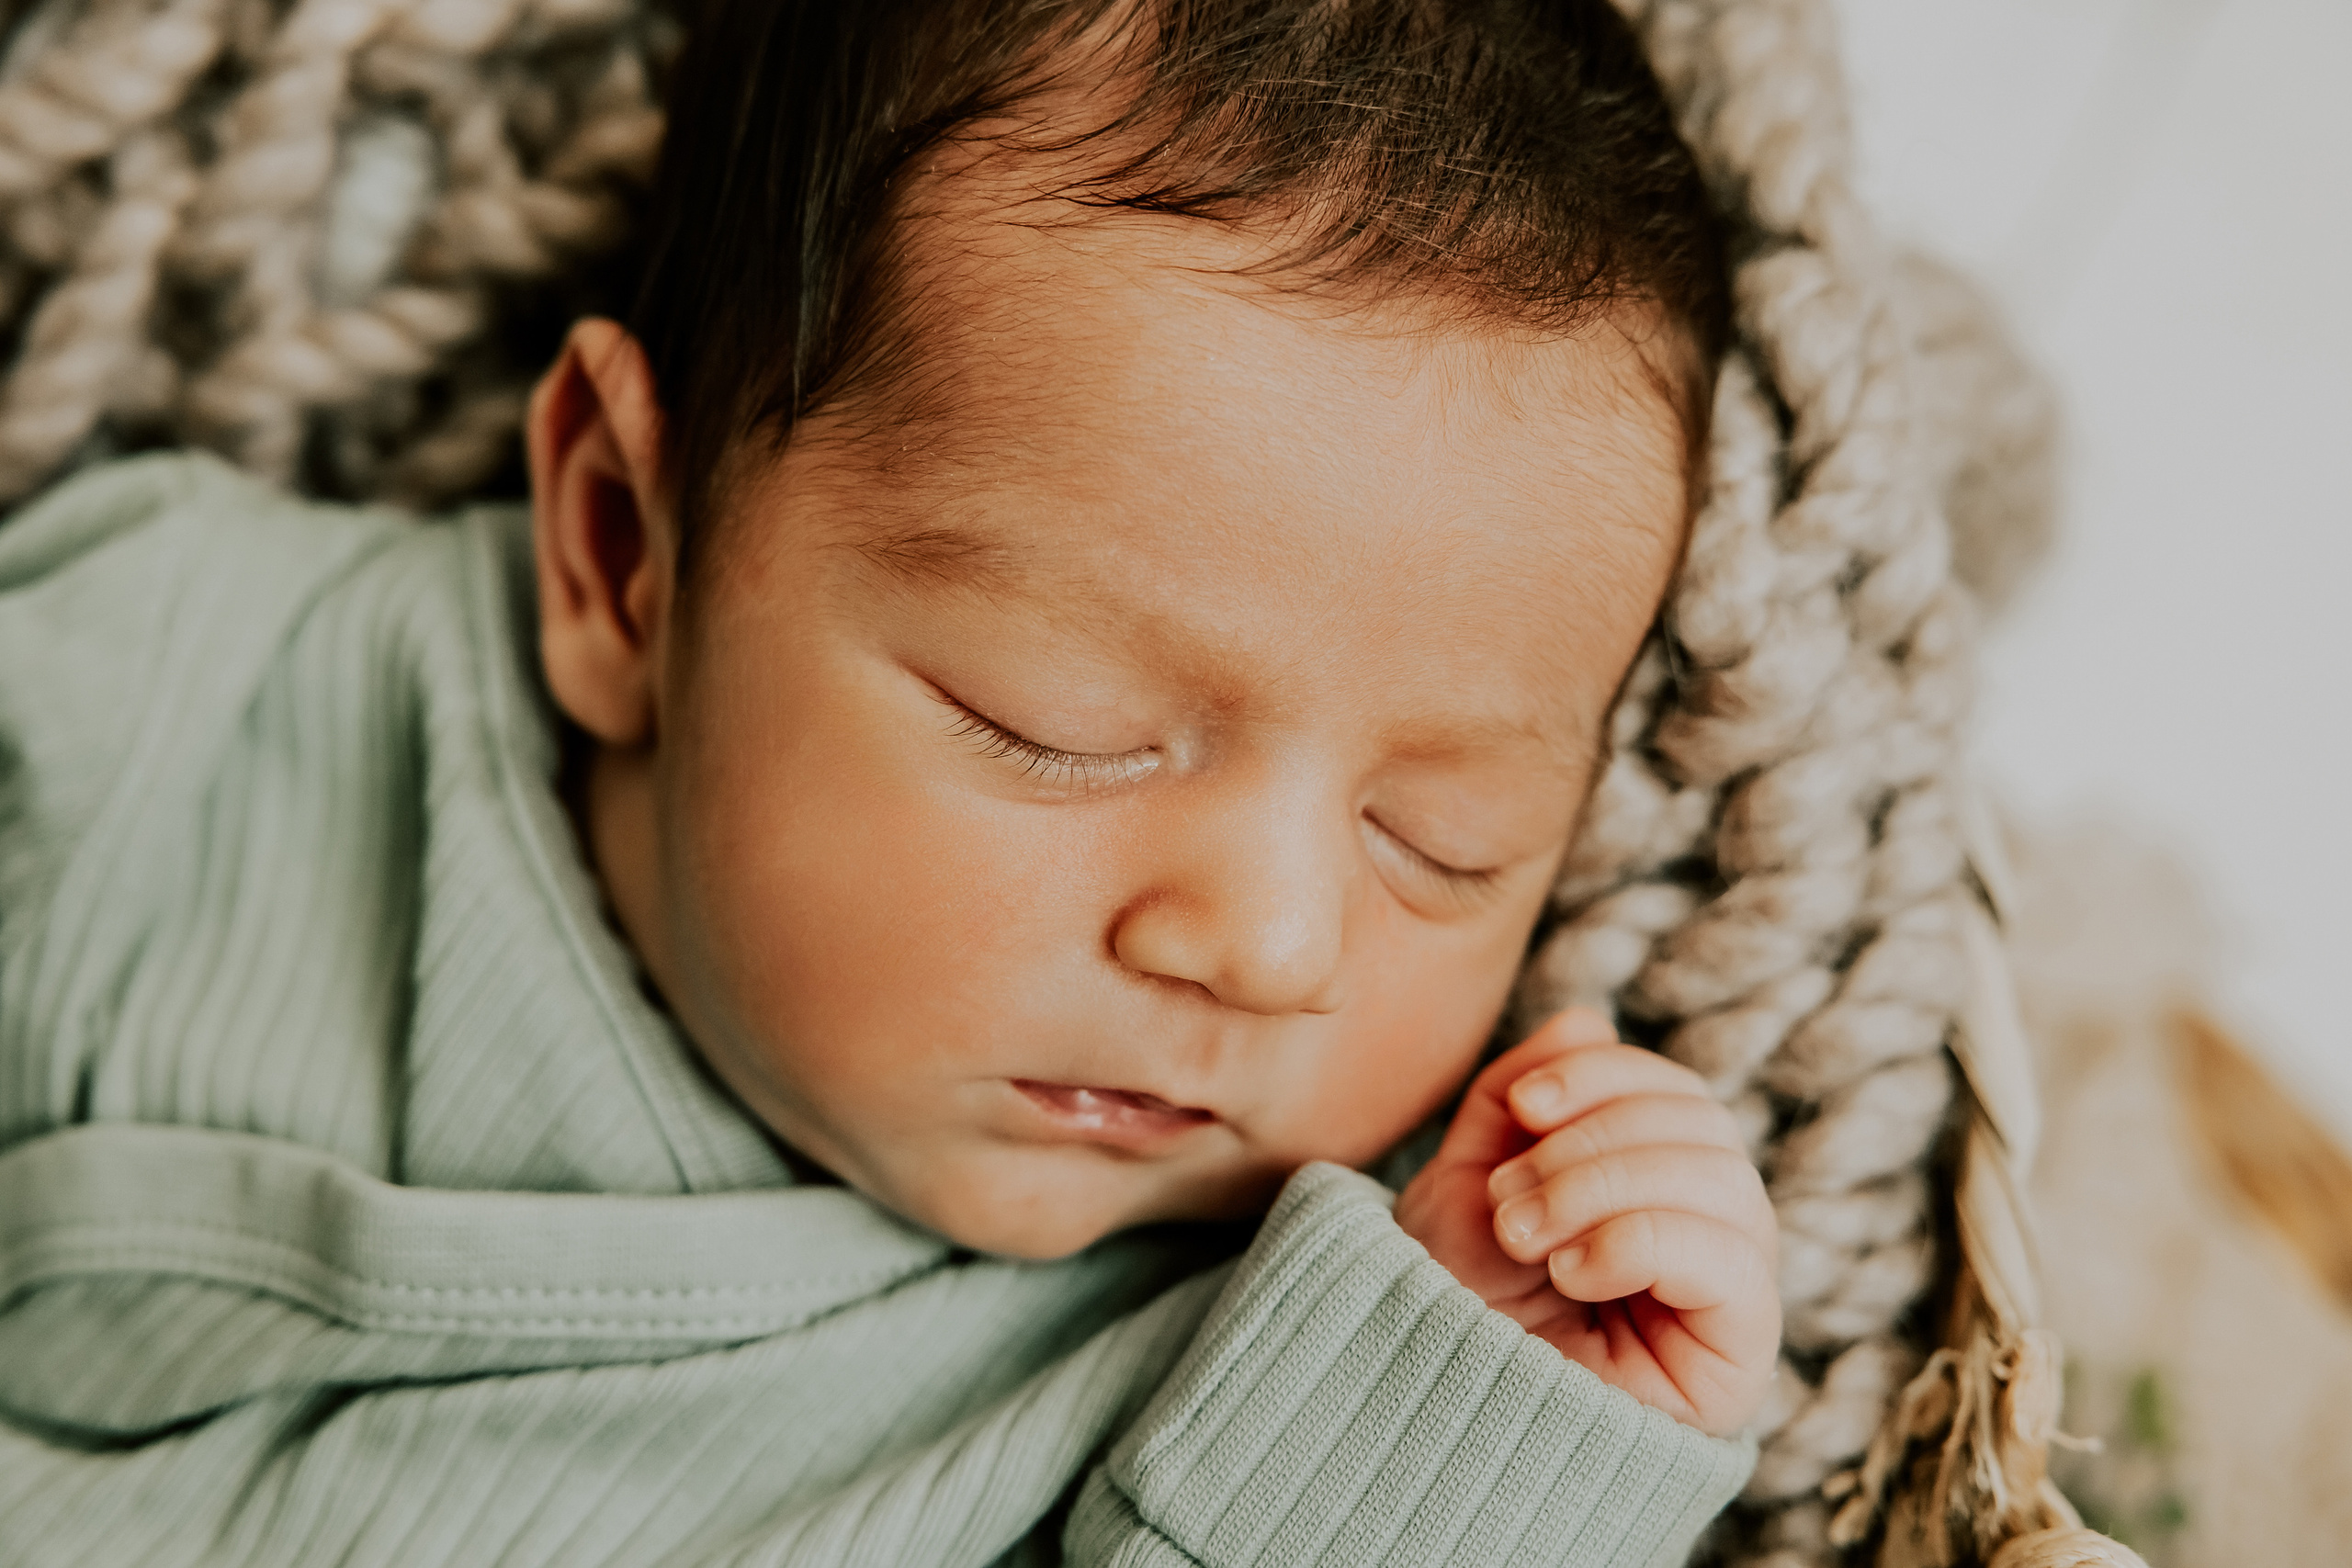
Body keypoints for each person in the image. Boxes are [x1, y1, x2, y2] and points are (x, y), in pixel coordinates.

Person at [0, 1, 1780, 1562]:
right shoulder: (179, 698)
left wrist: (1464, 1428)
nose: (1268, 941)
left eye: (1439, 842)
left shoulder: (1315, 1312)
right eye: (1057, 723)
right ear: (624, 551)